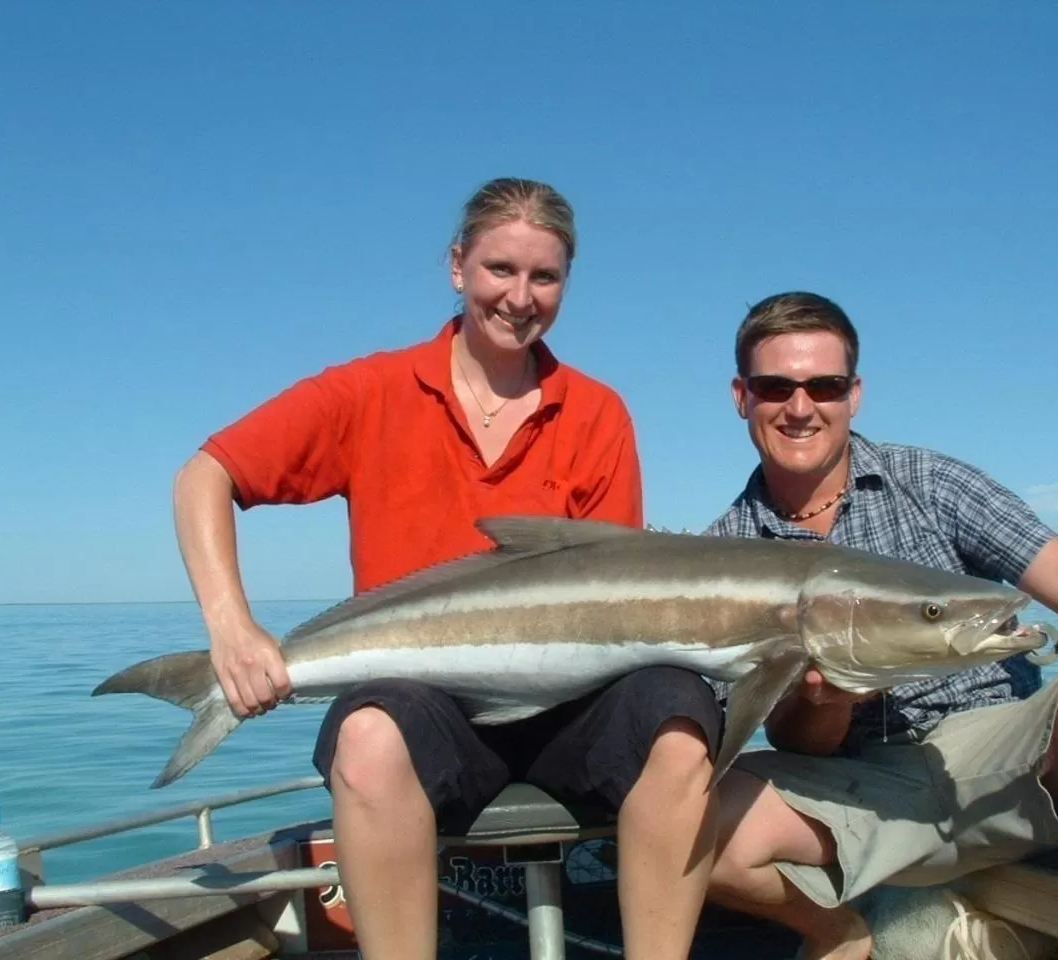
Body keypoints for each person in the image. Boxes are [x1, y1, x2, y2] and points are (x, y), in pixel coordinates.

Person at [171, 178, 721, 960]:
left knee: (682, 715)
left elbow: (616, 592)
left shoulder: (598, 413)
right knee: (367, 737)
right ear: (457, 265)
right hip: (426, 701)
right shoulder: (370, 392)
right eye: (500, 269)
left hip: (573, 705)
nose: (520, 297)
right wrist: (231, 629)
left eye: (545, 277)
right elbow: (206, 475)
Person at [702, 291, 1058, 960]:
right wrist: (830, 701)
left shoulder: (929, 483)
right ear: (741, 395)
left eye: (824, 384)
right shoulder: (725, 552)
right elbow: (797, 741)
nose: (799, 407)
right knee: (682, 820)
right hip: (856, 781)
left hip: (996, 747)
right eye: (774, 386)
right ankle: (839, 929)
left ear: (855, 393)